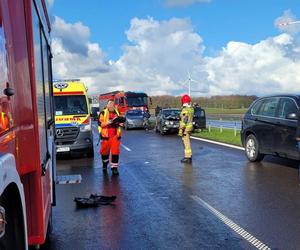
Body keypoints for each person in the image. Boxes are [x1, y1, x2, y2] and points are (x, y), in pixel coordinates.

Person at [98, 101, 125, 175]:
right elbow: (100, 124)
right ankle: (104, 164)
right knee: (104, 153)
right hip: (106, 137)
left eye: (112, 105)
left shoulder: (117, 112)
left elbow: (120, 121)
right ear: (107, 105)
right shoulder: (102, 113)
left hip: (115, 136)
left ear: (114, 106)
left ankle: (114, 168)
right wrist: (107, 122)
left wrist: (121, 123)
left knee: (115, 153)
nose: (111, 106)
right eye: (109, 104)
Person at [178, 94, 194, 164]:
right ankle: (188, 156)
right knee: (187, 142)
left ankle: (187, 157)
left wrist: (180, 130)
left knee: (186, 143)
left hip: (185, 129)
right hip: (190, 127)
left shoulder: (185, 110)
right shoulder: (191, 109)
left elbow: (184, 121)